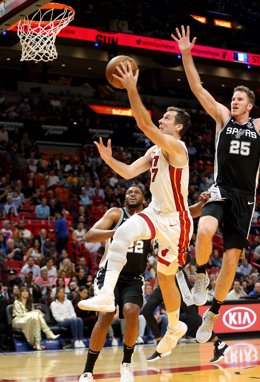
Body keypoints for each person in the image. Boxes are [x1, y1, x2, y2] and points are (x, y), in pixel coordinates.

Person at [79, 61, 194, 367]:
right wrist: (108, 159)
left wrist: (132, 89)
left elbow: (144, 125)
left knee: (166, 277)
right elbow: (129, 172)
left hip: (176, 221)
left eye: (167, 118)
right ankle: (106, 294)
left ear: (178, 126)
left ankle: (175, 325)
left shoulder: (177, 148)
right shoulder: (155, 151)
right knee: (124, 231)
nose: (162, 120)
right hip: (156, 213)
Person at [172, 25, 260, 343]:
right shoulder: (222, 118)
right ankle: (199, 275)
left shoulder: (258, 127)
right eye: (232, 99)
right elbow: (197, 88)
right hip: (221, 188)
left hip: (245, 197)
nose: (233, 102)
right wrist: (186, 54)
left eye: (239, 99)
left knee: (233, 260)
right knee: (205, 230)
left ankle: (212, 314)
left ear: (249, 105)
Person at [79, 186, 153, 382]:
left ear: (143, 200)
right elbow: (90, 235)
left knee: (131, 311)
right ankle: (87, 371)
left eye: (136, 192)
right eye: (129, 192)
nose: (131, 194)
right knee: (106, 315)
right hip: (109, 274)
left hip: (134, 278)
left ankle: (126, 364)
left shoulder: (150, 220)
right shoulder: (116, 213)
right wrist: (116, 231)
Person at [12, 286, 59, 350]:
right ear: (20, 293)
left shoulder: (30, 303)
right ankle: (48, 333)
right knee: (36, 314)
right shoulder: (16, 302)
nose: (25, 293)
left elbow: (34, 317)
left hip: (29, 320)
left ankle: (38, 344)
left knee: (36, 318)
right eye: (23, 291)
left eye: (26, 291)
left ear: (29, 293)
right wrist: (33, 312)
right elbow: (20, 315)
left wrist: (34, 312)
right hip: (18, 320)